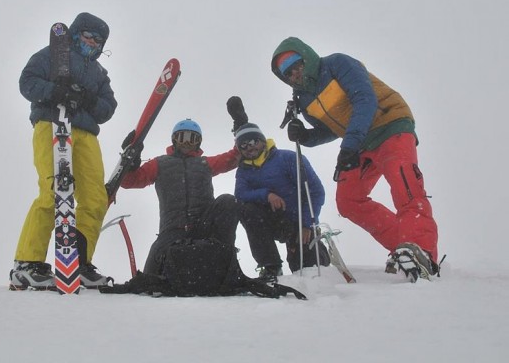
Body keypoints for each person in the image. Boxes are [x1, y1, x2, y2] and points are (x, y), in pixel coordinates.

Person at [271, 37, 439, 280]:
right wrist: (306, 136)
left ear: (306, 56)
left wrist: (349, 146)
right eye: (286, 72)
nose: (294, 72)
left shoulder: (337, 64)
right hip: (360, 143)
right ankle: (405, 250)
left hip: (390, 124)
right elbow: (329, 128)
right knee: (348, 200)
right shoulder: (303, 98)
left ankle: (422, 252)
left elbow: (365, 100)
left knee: (404, 184)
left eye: (296, 63)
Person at [10, 12, 118, 290]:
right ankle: (27, 262)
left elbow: (108, 108)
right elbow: (27, 81)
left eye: (98, 41)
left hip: (85, 134)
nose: (92, 43)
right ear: (75, 33)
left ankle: (78, 262)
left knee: (95, 198)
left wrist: (88, 98)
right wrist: (56, 92)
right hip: (52, 124)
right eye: (88, 36)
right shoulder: (53, 55)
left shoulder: (98, 73)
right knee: (53, 192)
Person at [120, 119, 240, 275]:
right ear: (174, 140)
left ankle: (223, 254)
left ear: (198, 142)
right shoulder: (160, 163)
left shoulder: (204, 163)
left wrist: (240, 129)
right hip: (172, 229)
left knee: (228, 201)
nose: (187, 143)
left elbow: (233, 158)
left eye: (193, 139)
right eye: (183, 137)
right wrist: (130, 163)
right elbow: (129, 181)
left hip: (203, 226)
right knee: (151, 275)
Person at [233, 122, 329, 283]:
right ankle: (271, 265)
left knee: (307, 270)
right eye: (243, 145)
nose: (249, 147)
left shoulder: (288, 158)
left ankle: (318, 251)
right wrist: (267, 195)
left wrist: (307, 224)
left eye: (253, 141)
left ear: (262, 141)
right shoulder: (243, 170)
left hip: (298, 220)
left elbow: (315, 191)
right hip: (272, 219)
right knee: (246, 209)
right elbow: (240, 194)